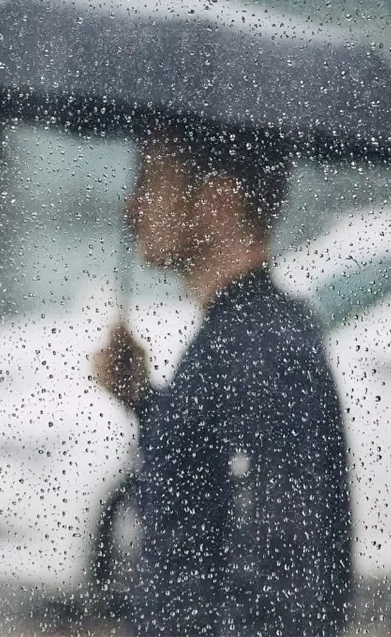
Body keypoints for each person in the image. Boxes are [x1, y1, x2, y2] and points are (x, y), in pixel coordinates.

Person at [95, 125, 353, 637]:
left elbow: (282, 564)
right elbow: (205, 489)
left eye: (152, 182)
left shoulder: (261, 348)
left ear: (217, 198)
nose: (132, 207)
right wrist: (144, 401)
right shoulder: (240, 334)